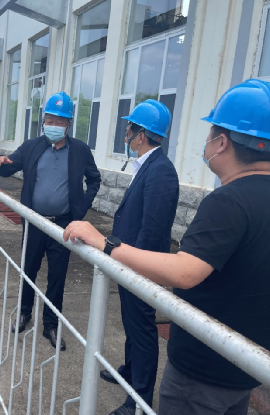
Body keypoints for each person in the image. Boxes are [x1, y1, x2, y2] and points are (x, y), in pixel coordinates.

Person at [63, 79, 270, 415]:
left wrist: (106, 245)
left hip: (204, 371)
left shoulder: (228, 201)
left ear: (222, 142)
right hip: (244, 368)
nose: (206, 143)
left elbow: (185, 271)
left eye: (210, 134)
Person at [0, 91, 101, 351]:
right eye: (49, 120)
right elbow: (9, 166)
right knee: (28, 270)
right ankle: (24, 312)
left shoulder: (80, 151)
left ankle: (50, 324)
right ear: (44, 121)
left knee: (57, 276)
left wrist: (80, 209)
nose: (53, 125)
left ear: (68, 124)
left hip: (62, 225)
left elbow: (94, 180)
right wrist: (1, 163)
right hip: (34, 222)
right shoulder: (32, 146)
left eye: (59, 121)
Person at [101, 100, 179, 415]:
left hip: (140, 267)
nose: (126, 136)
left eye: (129, 130)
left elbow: (152, 232)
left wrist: (136, 269)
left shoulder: (161, 171)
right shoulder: (147, 165)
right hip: (130, 264)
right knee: (131, 325)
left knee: (143, 331)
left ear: (141, 134)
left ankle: (138, 400)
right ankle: (129, 373)